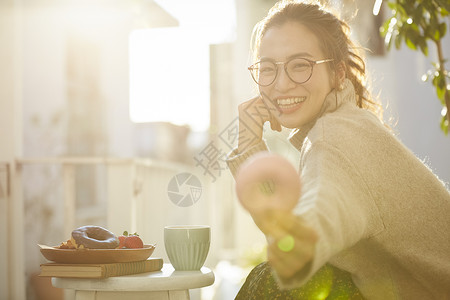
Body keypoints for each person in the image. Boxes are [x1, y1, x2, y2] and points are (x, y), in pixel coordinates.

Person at [226, 0, 450, 299]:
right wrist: (249, 146)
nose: (281, 84)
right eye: (268, 69)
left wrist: (302, 244)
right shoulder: (344, 124)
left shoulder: (335, 135)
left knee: (269, 280)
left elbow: (327, 205)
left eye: (300, 65)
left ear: (338, 73)